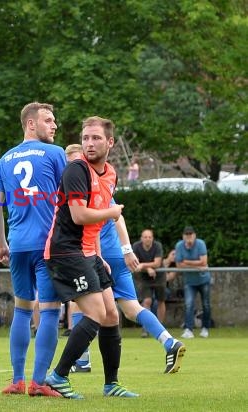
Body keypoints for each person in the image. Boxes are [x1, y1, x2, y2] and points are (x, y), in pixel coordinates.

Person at [65, 144, 185, 375]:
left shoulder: (87, 185)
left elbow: (116, 217)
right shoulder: (97, 181)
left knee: (76, 301)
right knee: (131, 308)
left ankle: (82, 360)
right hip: (115, 256)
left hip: (98, 255)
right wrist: (127, 251)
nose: (71, 166)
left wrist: (127, 249)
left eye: (73, 161)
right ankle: (169, 342)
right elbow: (117, 215)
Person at [44, 116, 138, 399]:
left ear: (110, 142)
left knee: (111, 315)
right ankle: (57, 377)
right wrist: (112, 213)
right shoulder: (76, 169)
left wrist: (98, 254)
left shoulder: (111, 173)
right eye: (85, 138)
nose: (89, 143)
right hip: (65, 250)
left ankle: (111, 385)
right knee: (96, 313)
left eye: (96, 138)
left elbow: (92, 221)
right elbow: (79, 215)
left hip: (87, 251)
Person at [0, 102, 66, 397]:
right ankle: (39, 382)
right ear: (30, 124)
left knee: (22, 310)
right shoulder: (56, 154)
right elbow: (71, 197)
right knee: (49, 311)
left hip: (18, 245)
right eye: (48, 120)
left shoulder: (4, 160)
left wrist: (1, 243)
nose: (54, 125)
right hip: (47, 245)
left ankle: (17, 380)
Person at [176, 226, 211, 339]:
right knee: (189, 304)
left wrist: (186, 262)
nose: (189, 237)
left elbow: (204, 261)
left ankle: (205, 328)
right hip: (189, 282)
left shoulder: (200, 244)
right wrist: (198, 264)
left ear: (194, 235)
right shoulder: (179, 246)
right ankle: (188, 329)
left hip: (203, 279)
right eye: (187, 235)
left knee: (206, 304)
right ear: (183, 236)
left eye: (191, 235)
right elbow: (179, 265)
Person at [132, 229, 165, 337]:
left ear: (153, 238)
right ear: (141, 238)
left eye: (149, 237)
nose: (147, 239)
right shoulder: (136, 246)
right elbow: (136, 265)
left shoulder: (157, 246)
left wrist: (145, 266)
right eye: (145, 237)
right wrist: (148, 269)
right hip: (144, 278)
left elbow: (157, 263)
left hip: (159, 276)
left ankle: (160, 329)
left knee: (161, 301)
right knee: (147, 301)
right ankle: (146, 329)